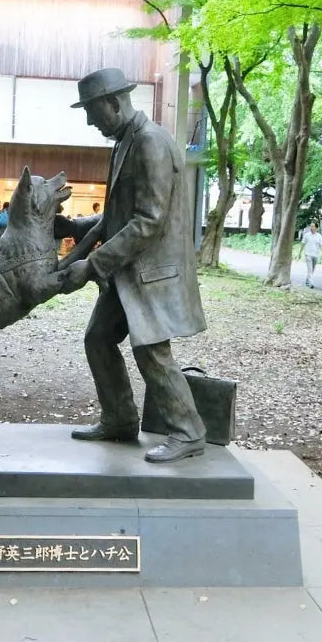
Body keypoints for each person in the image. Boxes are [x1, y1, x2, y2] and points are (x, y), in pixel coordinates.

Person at [58, 67, 207, 464]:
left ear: (114, 102)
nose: (91, 121)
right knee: (98, 339)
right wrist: (75, 231)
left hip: (150, 273)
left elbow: (147, 222)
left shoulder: (151, 143)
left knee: (152, 353)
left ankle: (189, 432)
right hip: (127, 273)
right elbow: (115, 216)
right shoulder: (127, 141)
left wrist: (90, 266)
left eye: (92, 110)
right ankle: (121, 419)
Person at [298, 221, 322, 289]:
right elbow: (303, 244)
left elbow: (321, 245)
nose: (311, 227)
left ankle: (307, 281)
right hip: (308, 254)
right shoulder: (306, 235)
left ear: (316, 228)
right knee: (310, 270)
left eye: (313, 226)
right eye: (311, 226)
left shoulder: (319, 236)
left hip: (315, 255)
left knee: (312, 270)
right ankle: (311, 283)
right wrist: (300, 253)